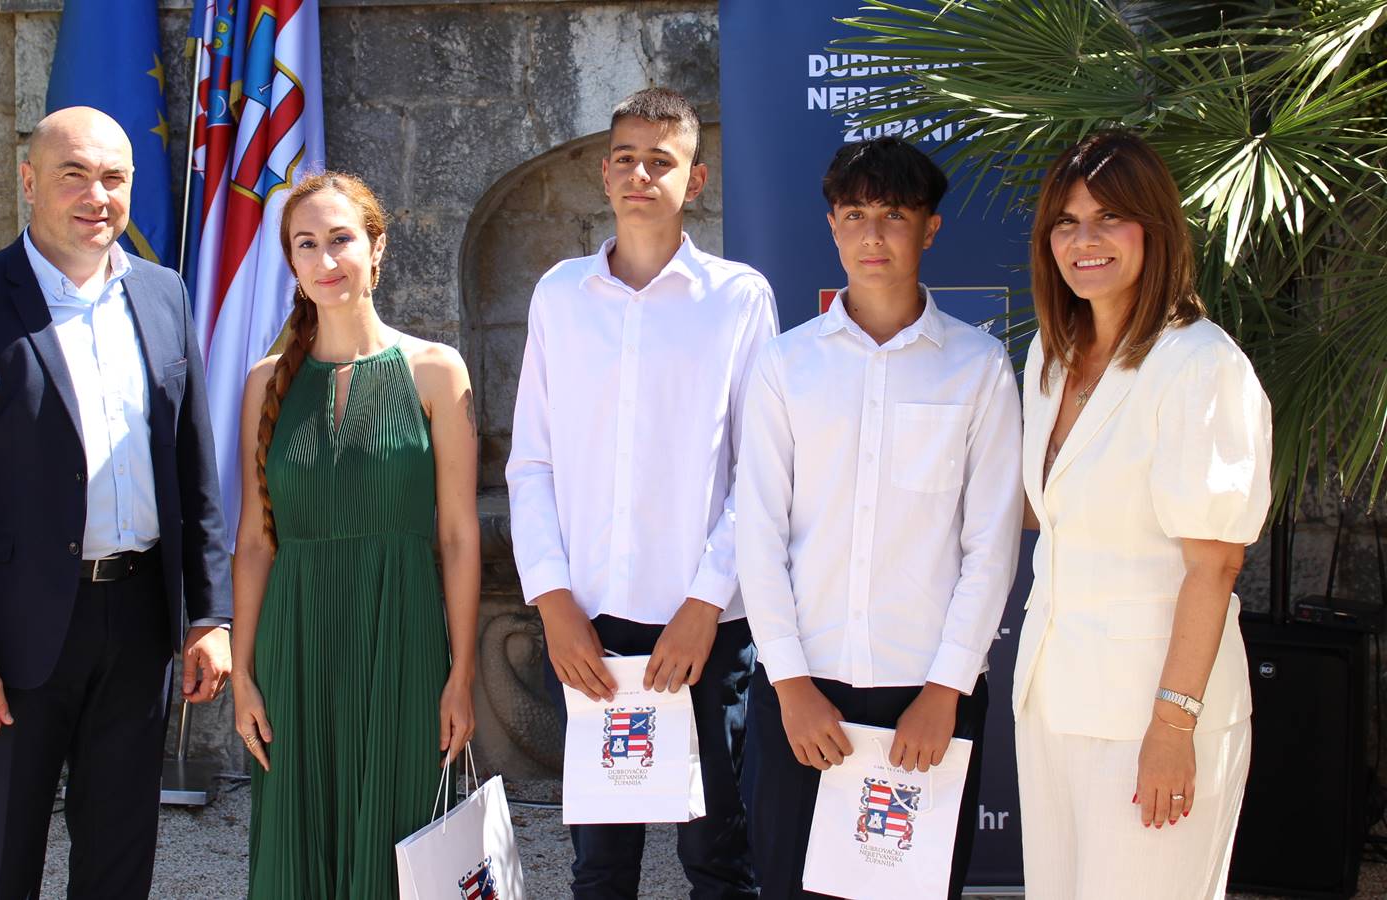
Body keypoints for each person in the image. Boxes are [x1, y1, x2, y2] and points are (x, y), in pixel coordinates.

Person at [0, 107, 233, 898]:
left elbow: (194, 470)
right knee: (0, 861)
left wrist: (210, 616)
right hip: (13, 638)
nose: (96, 196)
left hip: (140, 624)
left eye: (113, 177)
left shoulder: (163, 295)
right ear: (29, 181)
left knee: (120, 858)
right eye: (73, 174)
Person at [507, 86, 778, 899]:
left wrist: (705, 603)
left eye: (661, 161)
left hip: (705, 626)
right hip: (589, 622)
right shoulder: (560, 296)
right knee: (601, 866)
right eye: (625, 158)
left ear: (695, 180)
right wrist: (553, 601)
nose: (640, 175)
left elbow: (762, 470)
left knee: (717, 859)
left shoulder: (738, 298)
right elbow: (532, 463)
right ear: (604, 172)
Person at [734, 137, 1022, 899]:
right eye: (855, 214)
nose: (873, 234)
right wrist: (790, 685)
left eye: (894, 214)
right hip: (804, 693)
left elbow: (991, 546)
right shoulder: (786, 364)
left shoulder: (978, 366)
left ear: (930, 228)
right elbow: (758, 533)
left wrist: (945, 692)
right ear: (832, 225)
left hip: (925, 696)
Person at [1014, 131, 1272, 899]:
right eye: (1066, 222)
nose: (1084, 241)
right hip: (1053, 701)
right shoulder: (1050, 357)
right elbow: (1057, 514)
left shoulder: (1201, 365)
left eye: (1108, 218)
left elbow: (1215, 564)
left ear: (1154, 228)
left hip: (1150, 715)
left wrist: (1173, 726)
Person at [229, 170, 480, 897]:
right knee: (295, 841)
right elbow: (255, 541)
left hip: (402, 638)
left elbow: (459, 536)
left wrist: (461, 675)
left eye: (340, 238)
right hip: (293, 644)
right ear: (292, 261)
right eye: (306, 244)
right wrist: (243, 675)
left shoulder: (436, 371)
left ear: (377, 249)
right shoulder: (264, 382)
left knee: (402, 837)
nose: (325, 259)